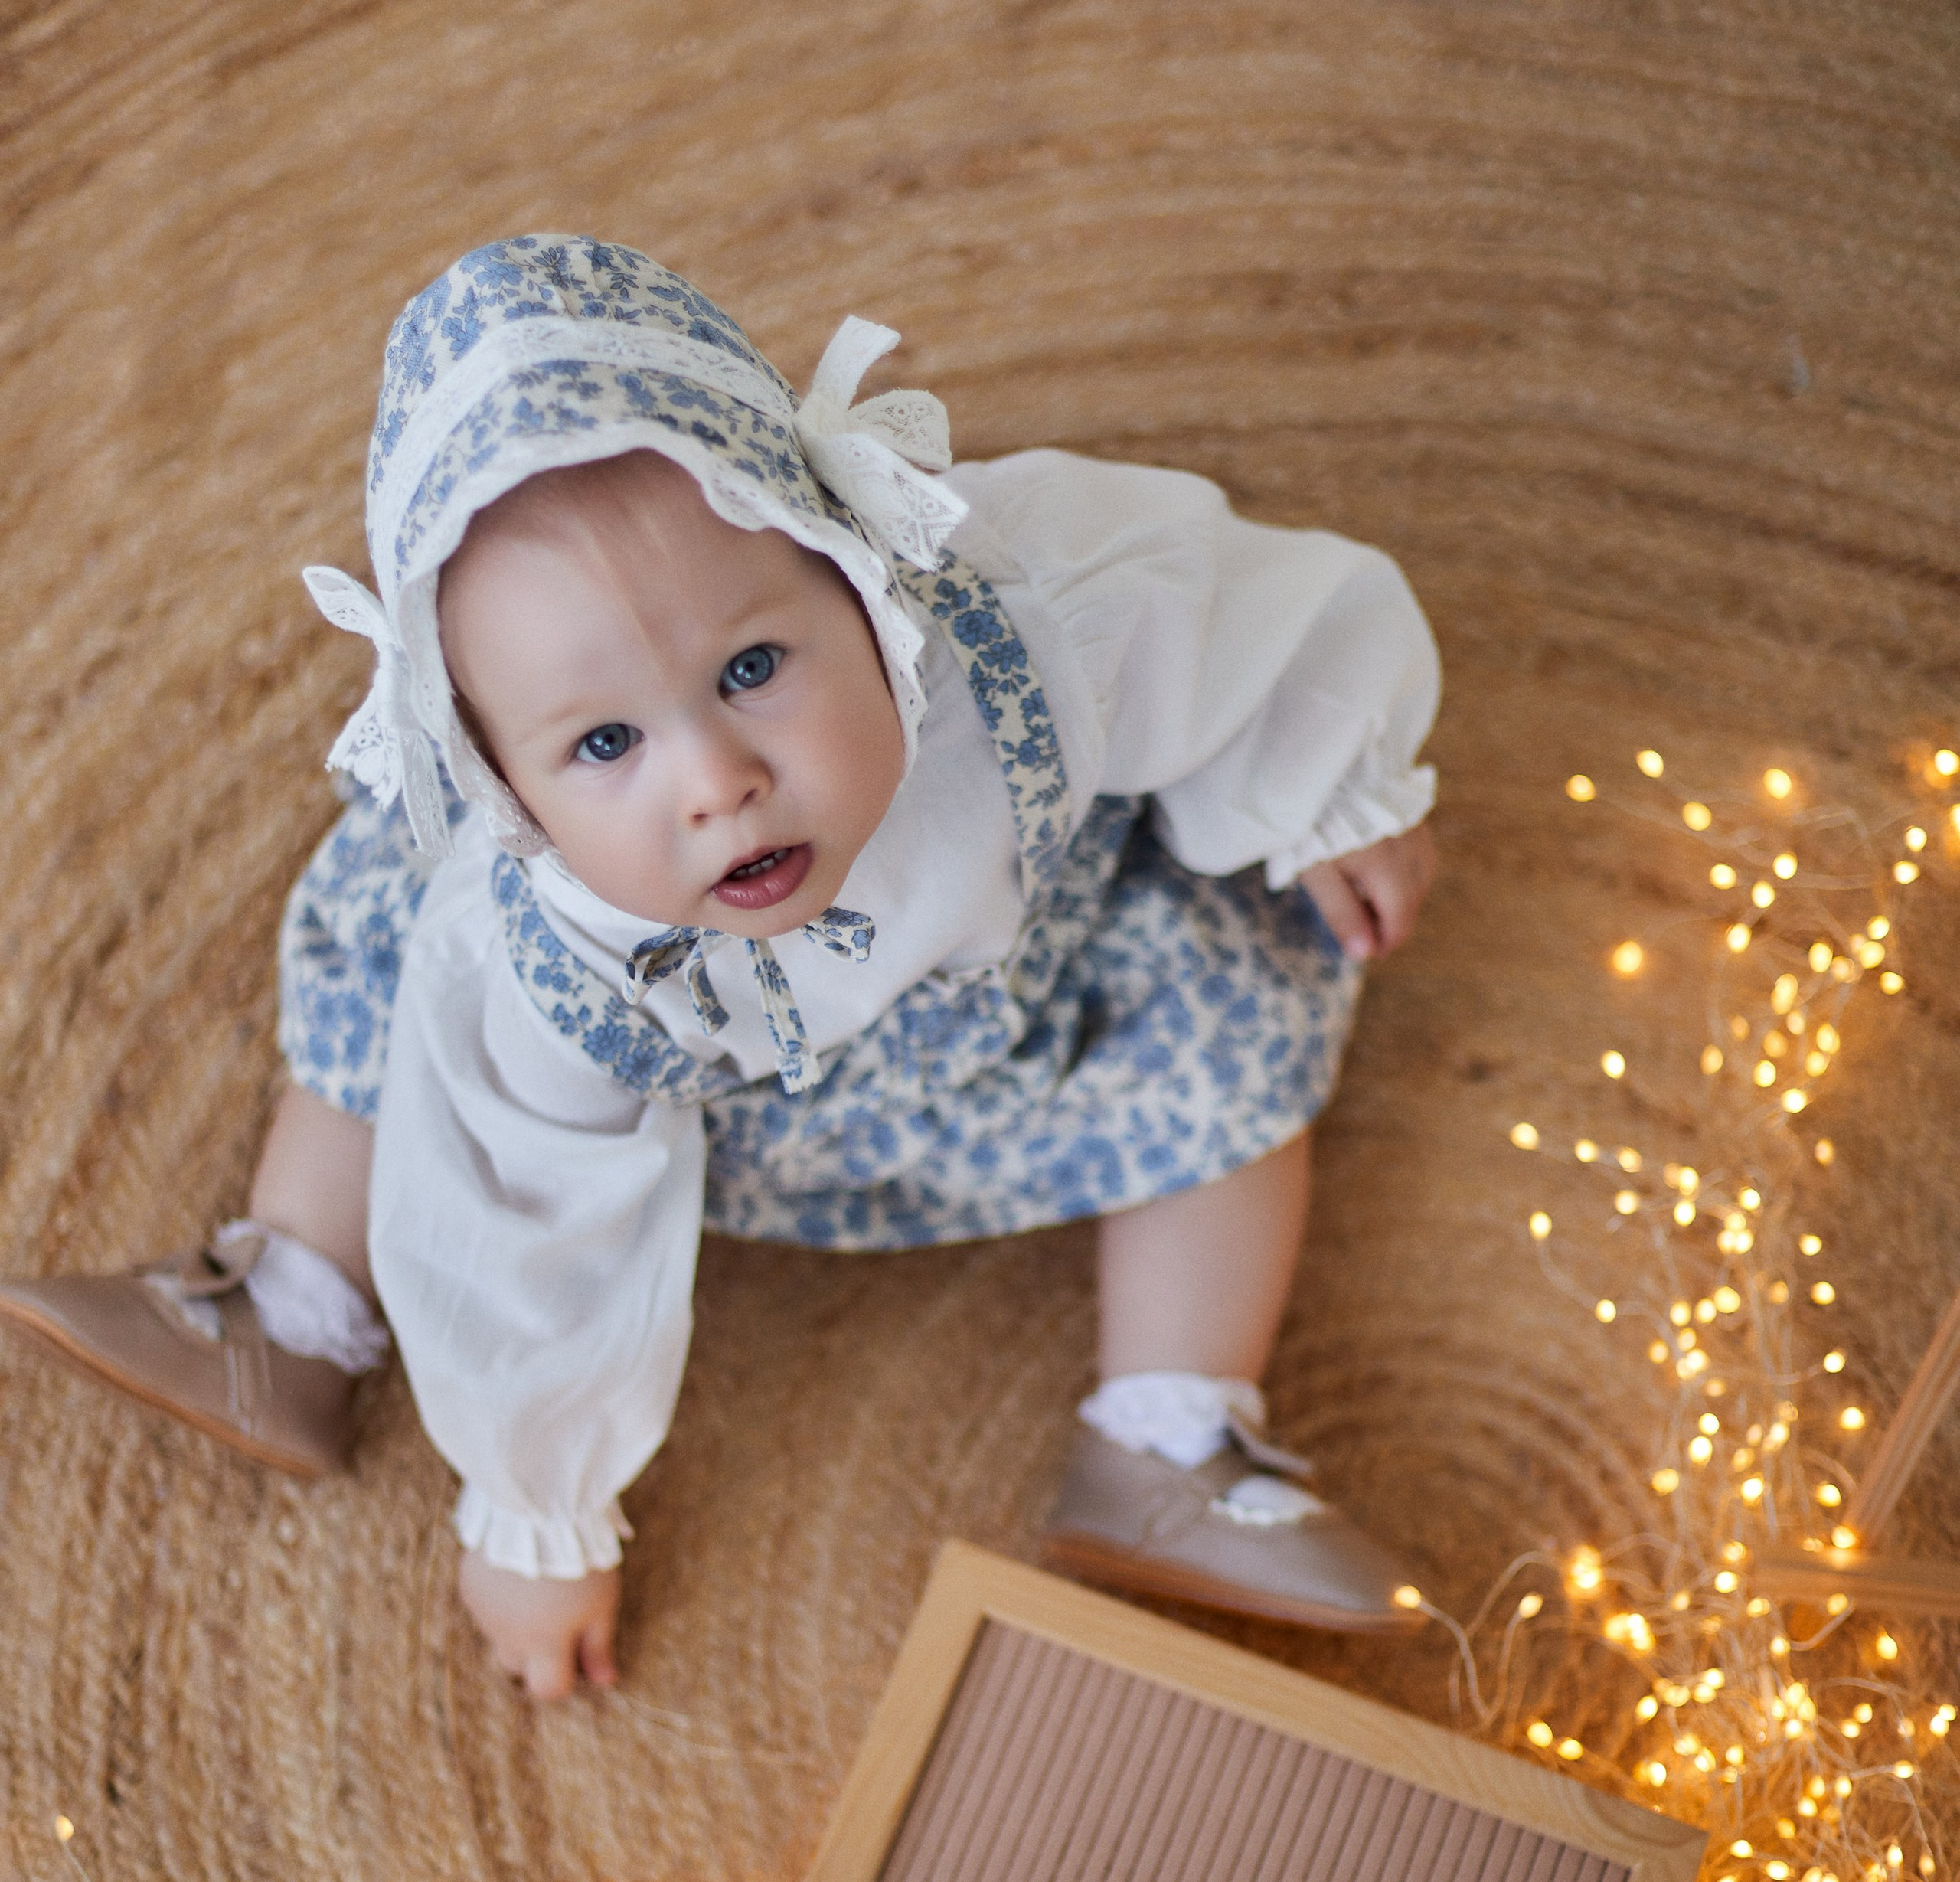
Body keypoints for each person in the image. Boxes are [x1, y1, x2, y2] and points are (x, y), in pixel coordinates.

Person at [0, 237, 1439, 1699]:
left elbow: (1216, 603)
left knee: (1246, 966)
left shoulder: (1010, 628)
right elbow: (524, 1211)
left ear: (854, 571)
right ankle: (298, 1297)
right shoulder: (561, 947)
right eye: (602, 743)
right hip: (702, 1100)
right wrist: (540, 1516)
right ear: (508, 787)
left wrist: (1334, 782)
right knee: (412, 975)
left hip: (1024, 1000)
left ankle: (1173, 1432)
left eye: (754, 667)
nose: (717, 782)